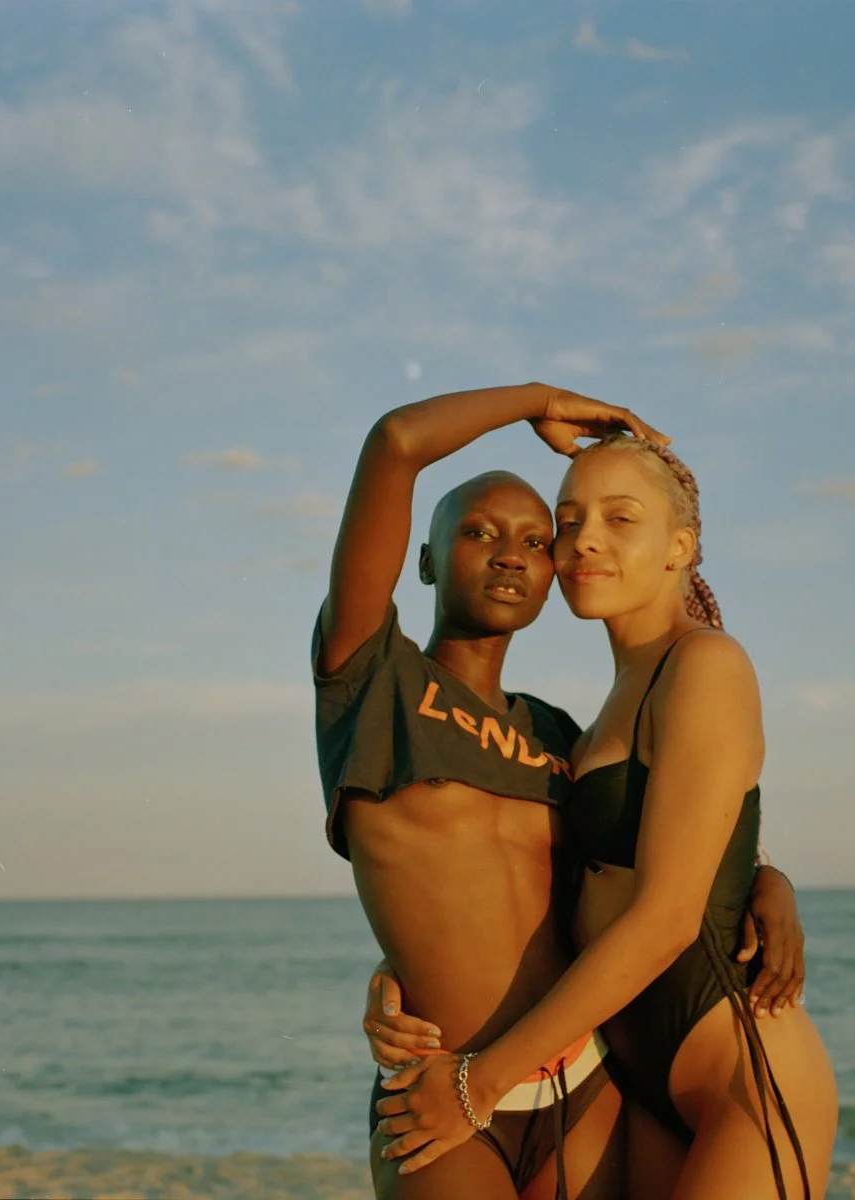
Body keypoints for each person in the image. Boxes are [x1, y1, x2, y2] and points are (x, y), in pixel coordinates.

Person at [313, 382, 807, 1200]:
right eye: (477, 533)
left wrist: (764, 879)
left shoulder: (557, 733)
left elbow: (644, 854)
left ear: (549, 575)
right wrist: (536, 400)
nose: (511, 554)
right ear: (425, 560)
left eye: (535, 541)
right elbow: (396, 442)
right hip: (448, 1082)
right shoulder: (372, 682)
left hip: (589, 1079)